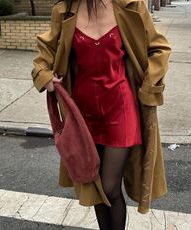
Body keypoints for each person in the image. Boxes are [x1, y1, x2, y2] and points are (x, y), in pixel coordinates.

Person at [31, 0, 171, 229]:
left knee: (109, 186)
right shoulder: (64, 10)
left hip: (121, 109)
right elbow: (45, 53)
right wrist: (44, 76)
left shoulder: (131, 6)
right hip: (83, 115)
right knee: (96, 186)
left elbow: (159, 48)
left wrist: (149, 87)